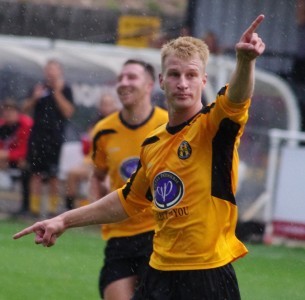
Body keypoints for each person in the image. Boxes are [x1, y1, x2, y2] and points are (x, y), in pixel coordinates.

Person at [13, 14, 265, 300]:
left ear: (203, 80)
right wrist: (63, 221)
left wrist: (245, 62)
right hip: (159, 271)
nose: (182, 83)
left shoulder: (214, 126)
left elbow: (236, 99)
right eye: (174, 74)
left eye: (191, 75)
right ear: (161, 80)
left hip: (207, 273)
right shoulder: (153, 143)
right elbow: (127, 200)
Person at [88, 59, 168, 299]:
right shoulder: (103, 130)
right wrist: (99, 209)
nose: (123, 83)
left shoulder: (168, 124)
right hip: (120, 237)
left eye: (131, 77)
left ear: (149, 85)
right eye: (121, 78)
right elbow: (98, 175)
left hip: (160, 236)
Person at [22, 59, 75, 217]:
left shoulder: (65, 89)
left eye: (54, 69)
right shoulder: (38, 88)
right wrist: (34, 98)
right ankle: (34, 210)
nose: (50, 73)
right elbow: (24, 109)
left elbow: (68, 112)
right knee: (35, 174)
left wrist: (56, 92)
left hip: (55, 139)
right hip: (37, 137)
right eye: (48, 69)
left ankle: (52, 211)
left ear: (60, 72)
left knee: (53, 175)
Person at [64, 92, 121, 210]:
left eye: (109, 104)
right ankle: (70, 211)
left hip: (112, 163)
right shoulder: (95, 124)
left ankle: (94, 211)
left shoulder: (120, 122)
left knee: (97, 178)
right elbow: (87, 147)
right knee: (71, 174)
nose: (106, 107)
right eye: (104, 104)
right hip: (92, 161)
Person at [0, 98, 33, 214]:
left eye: (11, 111)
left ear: (17, 112)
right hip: (6, 159)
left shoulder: (25, 124)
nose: (7, 114)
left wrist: (7, 155)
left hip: (25, 159)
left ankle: (26, 207)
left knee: (26, 168)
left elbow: (25, 150)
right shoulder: (2, 125)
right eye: (5, 111)